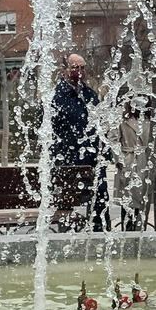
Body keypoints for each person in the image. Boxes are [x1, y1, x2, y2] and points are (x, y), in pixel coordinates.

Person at [51, 53, 110, 231]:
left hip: (91, 159)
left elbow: (99, 126)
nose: (79, 71)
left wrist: (104, 152)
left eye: (82, 67)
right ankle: (66, 232)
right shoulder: (57, 96)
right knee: (67, 201)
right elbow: (50, 128)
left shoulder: (89, 95)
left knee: (100, 194)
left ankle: (100, 230)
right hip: (67, 160)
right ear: (65, 70)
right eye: (75, 67)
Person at [112, 97, 153, 231]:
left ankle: (141, 226)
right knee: (128, 197)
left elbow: (155, 142)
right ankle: (128, 226)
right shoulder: (122, 121)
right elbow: (113, 140)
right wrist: (119, 160)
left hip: (145, 161)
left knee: (143, 197)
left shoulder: (150, 121)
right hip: (128, 160)